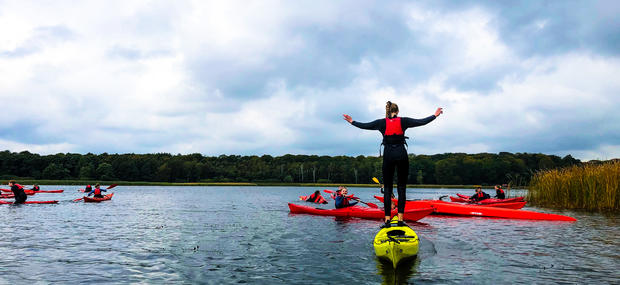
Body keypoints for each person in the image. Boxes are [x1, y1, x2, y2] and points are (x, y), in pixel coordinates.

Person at [344, 101, 442, 227]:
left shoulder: (381, 122)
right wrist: (435, 115)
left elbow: (365, 125)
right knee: (401, 188)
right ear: (398, 111)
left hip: (388, 155)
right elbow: (421, 122)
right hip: (401, 154)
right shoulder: (404, 121)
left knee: (388, 189)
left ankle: (387, 221)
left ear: (387, 111)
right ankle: (400, 220)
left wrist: (352, 121)